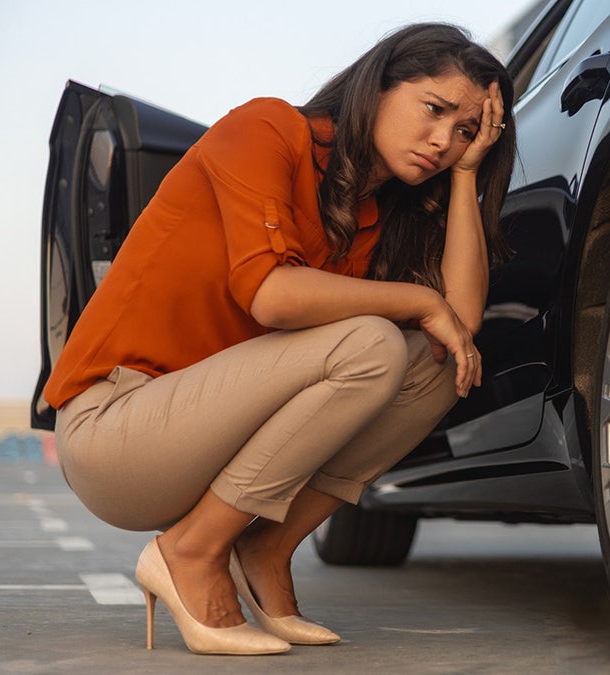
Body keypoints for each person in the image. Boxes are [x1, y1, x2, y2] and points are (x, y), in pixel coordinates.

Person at [43, 22, 516, 655]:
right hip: (118, 428)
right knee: (374, 343)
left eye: (463, 132)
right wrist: (418, 299)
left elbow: (460, 320)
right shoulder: (267, 130)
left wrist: (466, 176)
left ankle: (265, 543)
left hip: (210, 439)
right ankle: (191, 551)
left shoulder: (374, 219)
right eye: (434, 110)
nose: (441, 141)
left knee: (435, 358)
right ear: (378, 86)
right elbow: (271, 294)